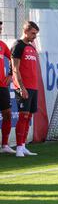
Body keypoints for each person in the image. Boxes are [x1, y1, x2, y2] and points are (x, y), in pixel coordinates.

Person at [11, 21, 40, 157]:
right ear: (26, 31)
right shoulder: (18, 45)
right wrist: (21, 87)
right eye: (33, 33)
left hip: (33, 86)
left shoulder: (32, 48)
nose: (35, 36)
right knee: (23, 116)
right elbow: (15, 69)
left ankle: (23, 146)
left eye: (36, 34)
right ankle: (18, 148)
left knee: (28, 117)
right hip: (23, 87)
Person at [0, 21, 14, 154]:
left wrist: (10, 74)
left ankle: (5, 145)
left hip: (2, 87)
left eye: (0, 29)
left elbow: (12, 59)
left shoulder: (2, 45)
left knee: (8, 114)